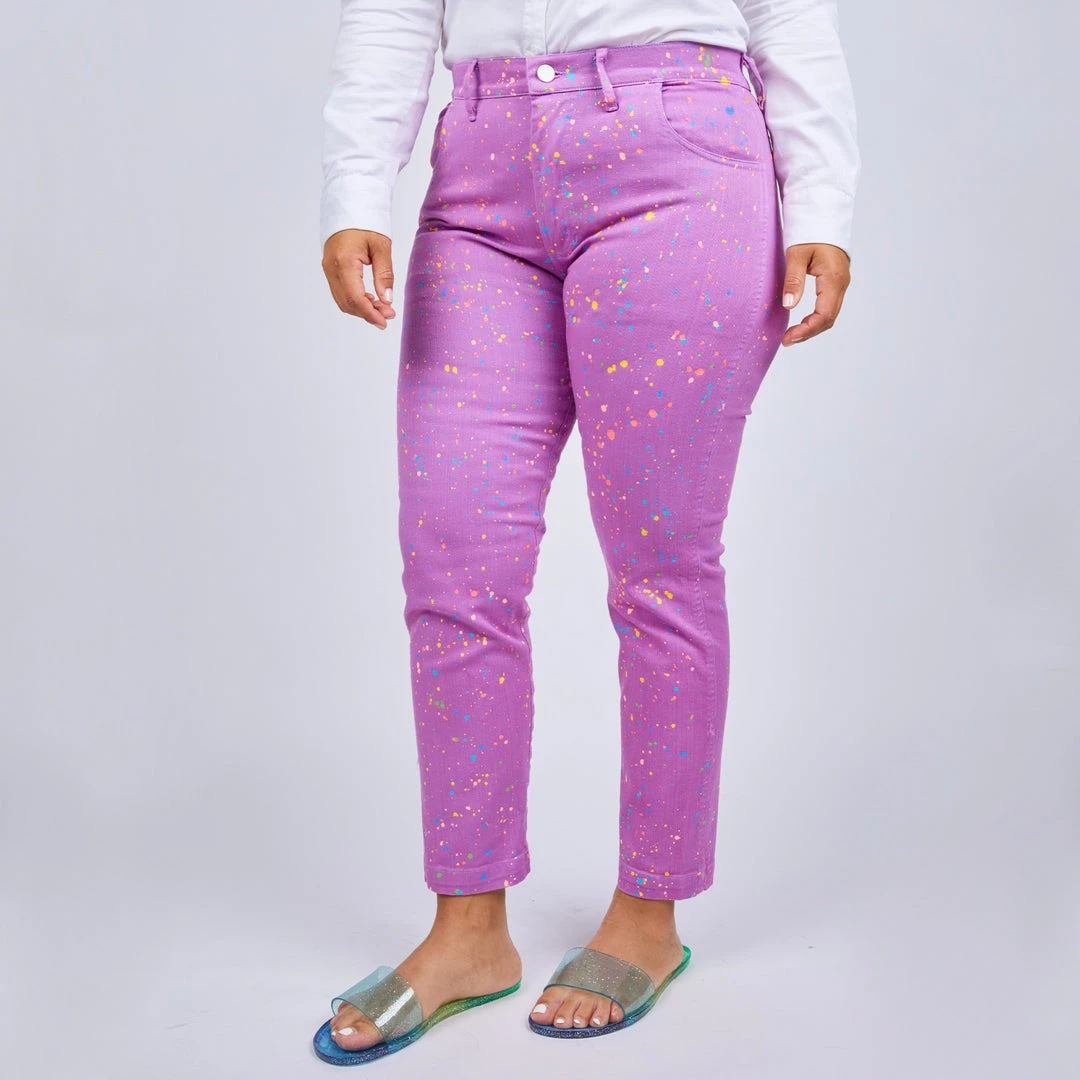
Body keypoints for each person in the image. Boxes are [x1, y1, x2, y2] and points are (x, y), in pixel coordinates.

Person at [314, 0, 859, 1062]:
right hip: (479, 177)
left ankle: (649, 913)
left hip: (681, 160)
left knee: (660, 570)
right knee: (454, 563)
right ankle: (468, 930)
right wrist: (354, 188)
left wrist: (823, 209)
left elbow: (788, 10)